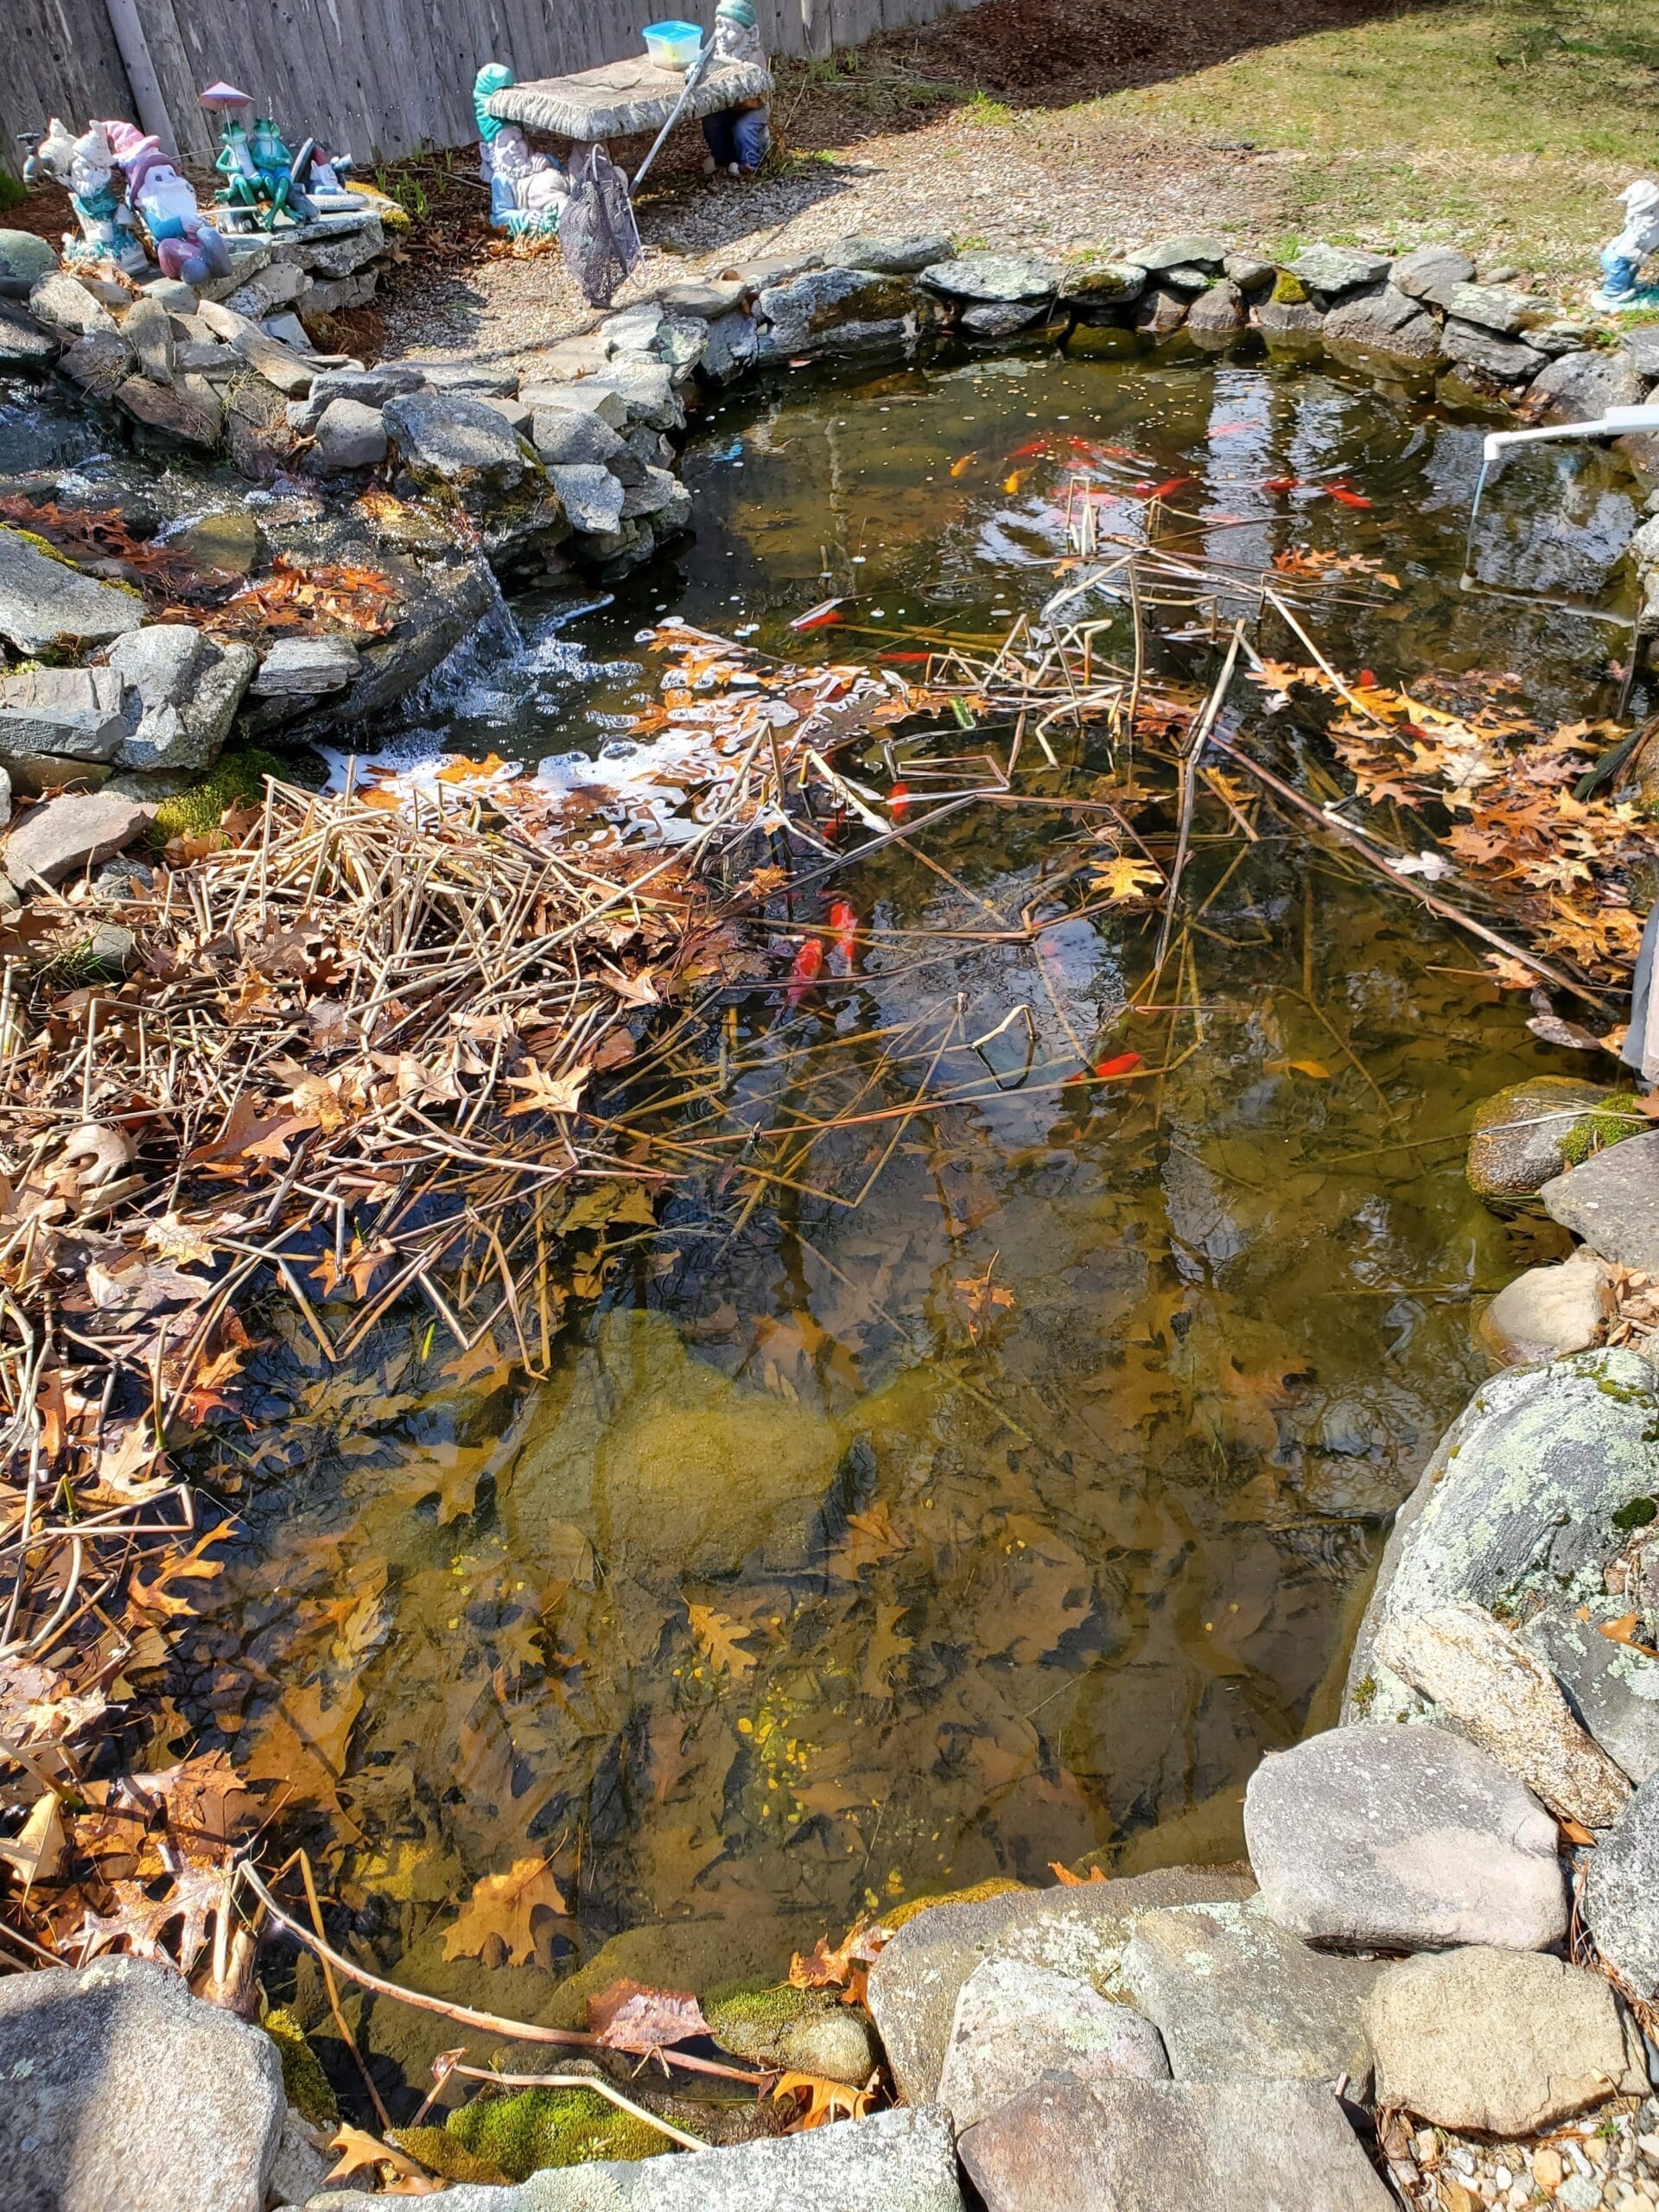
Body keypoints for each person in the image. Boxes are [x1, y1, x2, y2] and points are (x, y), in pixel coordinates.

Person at [701, 0, 772, 178]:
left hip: (753, 107)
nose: (721, 34)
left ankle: (749, 164)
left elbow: (754, 98)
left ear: (751, 33)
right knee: (711, 121)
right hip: (727, 105)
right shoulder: (719, 53)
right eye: (719, 26)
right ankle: (723, 159)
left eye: (730, 29)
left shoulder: (754, 57)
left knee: (744, 128)